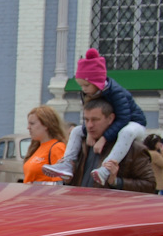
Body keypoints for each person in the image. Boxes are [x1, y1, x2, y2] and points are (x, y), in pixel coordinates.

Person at [50, 48, 147, 183]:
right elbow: (89, 114)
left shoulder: (116, 93)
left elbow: (123, 118)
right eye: (81, 85)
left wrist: (103, 139)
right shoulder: (89, 93)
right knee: (77, 130)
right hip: (113, 125)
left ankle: (106, 169)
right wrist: (88, 132)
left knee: (127, 132)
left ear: (97, 82)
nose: (83, 89)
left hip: (133, 122)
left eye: (86, 85)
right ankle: (67, 163)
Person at [70, 96, 157, 194]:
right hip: (80, 204)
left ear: (110, 118)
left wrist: (116, 182)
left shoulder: (133, 148)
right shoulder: (82, 144)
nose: (89, 125)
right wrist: (68, 178)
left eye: (95, 120)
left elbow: (150, 185)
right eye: (86, 120)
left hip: (108, 207)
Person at [22, 106, 69, 183]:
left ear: (46, 125)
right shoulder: (37, 147)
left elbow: (59, 182)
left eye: (32, 124)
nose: (28, 127)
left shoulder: (57, 147)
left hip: (42, 194)